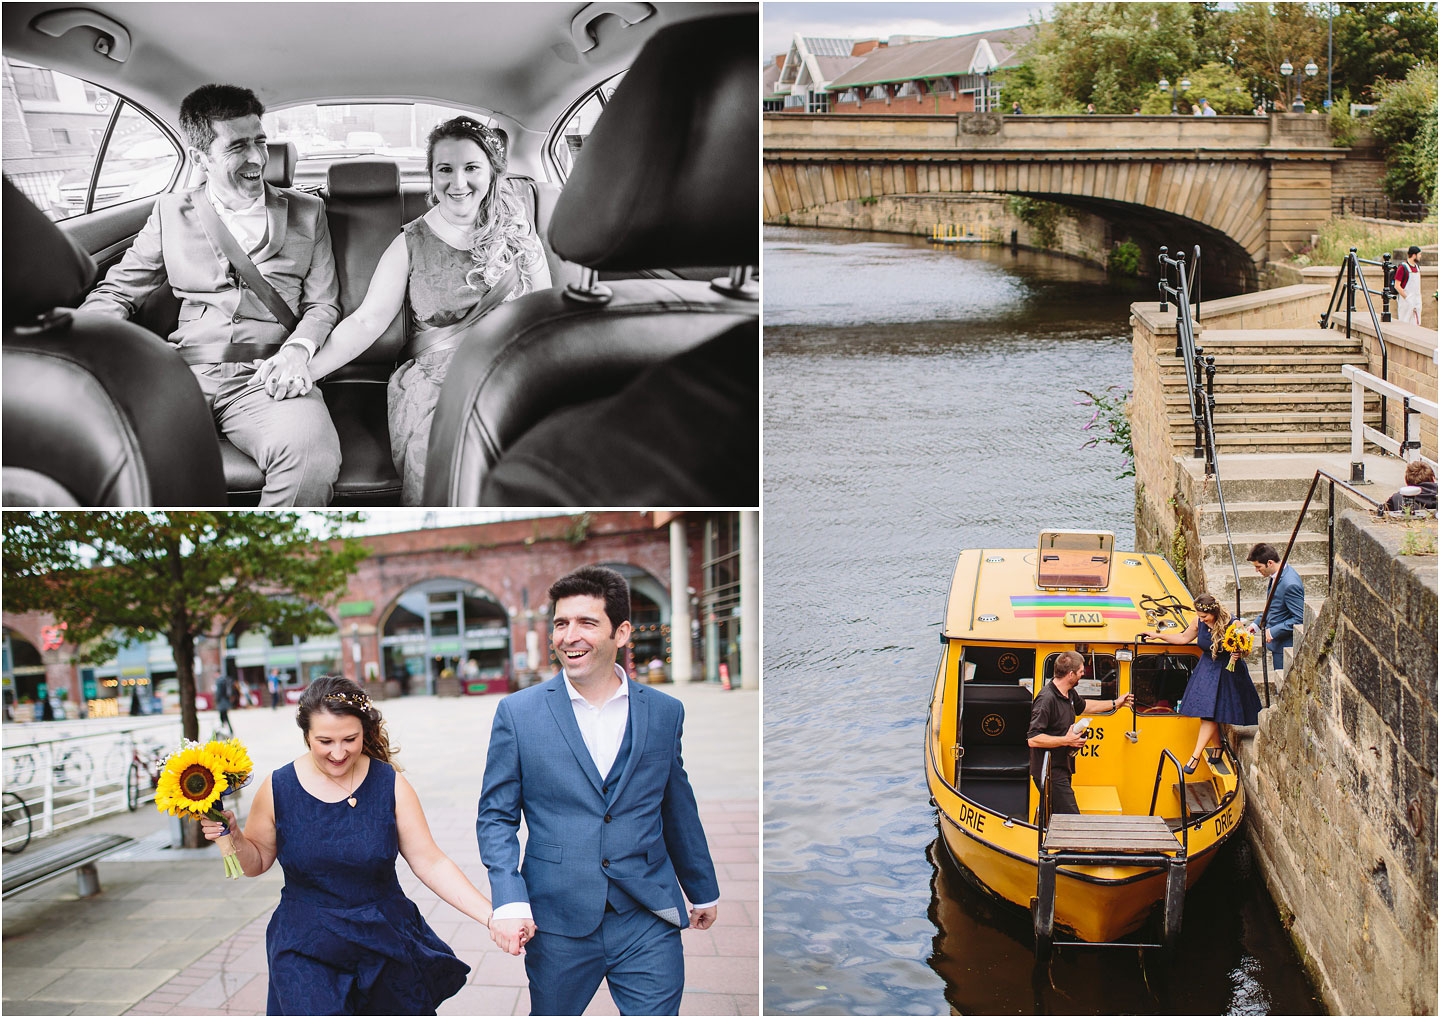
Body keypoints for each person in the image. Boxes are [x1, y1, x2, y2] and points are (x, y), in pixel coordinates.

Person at [260, 116, 550, 504]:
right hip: (436, 380)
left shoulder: (519, 231)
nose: (458, 183)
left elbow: (544, 311)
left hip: (515, 368)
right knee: (449, 455)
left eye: (471, 168)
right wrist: (304, 372)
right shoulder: (410, 242)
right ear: (431, 175)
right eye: (445, 169)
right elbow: (366, 321)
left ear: (492, 172)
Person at [78, 84, 342, 506]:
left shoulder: (308, 213)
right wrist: (79, 345)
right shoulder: (170, 211)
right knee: (98, 449)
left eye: (261, 141)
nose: (257, 158)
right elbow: (119, 290)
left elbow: (322, 304)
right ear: (201, 158)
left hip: (266, 374)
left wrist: (297, 352)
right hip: (181, 374)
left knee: (313, 456)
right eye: (238, 146)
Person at [477, 565, 719, 1016]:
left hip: (648, 913)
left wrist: (701, 887)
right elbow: (496, 816)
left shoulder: (665, 712)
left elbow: (677, 805)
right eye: (561, 624)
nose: (570, 636)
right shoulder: (518, 713)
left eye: (587, 622)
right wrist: (508, 896)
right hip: (557, 918)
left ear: (621, 632)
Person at [200, 676, 509, 1013]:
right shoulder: (278, 787)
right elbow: (255, 863)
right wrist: (231, 835)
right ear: (306, 736)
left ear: (365, 730)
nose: (338, 752)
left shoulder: (389, 783)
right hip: (306, 944)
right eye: (324, 741)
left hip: (383, 935)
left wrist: (492, 916)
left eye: (350, 739)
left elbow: (430, 862)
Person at [1143, 593, 1262, 773]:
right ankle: (1217, 746)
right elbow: (1183, 638)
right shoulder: (1197, 622)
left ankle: (1195, 756)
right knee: (1205, 711)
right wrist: (1158, 636)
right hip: (1207, 667)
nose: (1202, 620)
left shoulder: (1234, 623)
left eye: (1204, 617)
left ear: (1214, 612)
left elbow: (1245, 648)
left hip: (1227, 670)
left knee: (1210, 714)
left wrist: (1239, 654)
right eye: (1200, 616)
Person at [1026, 651, 1132, 815]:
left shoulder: (1069, 693)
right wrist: (1066, 740)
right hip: (1048, 771)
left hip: (1063, 766)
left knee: (1056, 813)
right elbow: (1033, 739)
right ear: (1070, 674)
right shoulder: (1046, 699)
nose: (1083, 674)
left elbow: (1085, 707)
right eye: (1081, 671)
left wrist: (1115, 703)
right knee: (1071, 816)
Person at [1246, 542, 1305, 671]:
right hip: (1278, 645)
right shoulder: (1277, 576)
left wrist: (1273, 631)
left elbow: (1300, 618)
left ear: (1270, 563)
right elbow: (1274, 606)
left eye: (1258, 566)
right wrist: (1256, 625)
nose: (1257, 570)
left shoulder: (1290, 584)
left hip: (1285, 647)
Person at [1394, 245, 1422, 326]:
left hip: (1416, 301)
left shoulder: (1417, 267)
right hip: (1406, 302)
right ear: (1414, 255)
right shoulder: (1403, 267)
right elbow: (1397, 286)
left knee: (1416, 323)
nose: (1420, 256)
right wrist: (1407, 298)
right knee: (1405, 322)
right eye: (1419, 254)